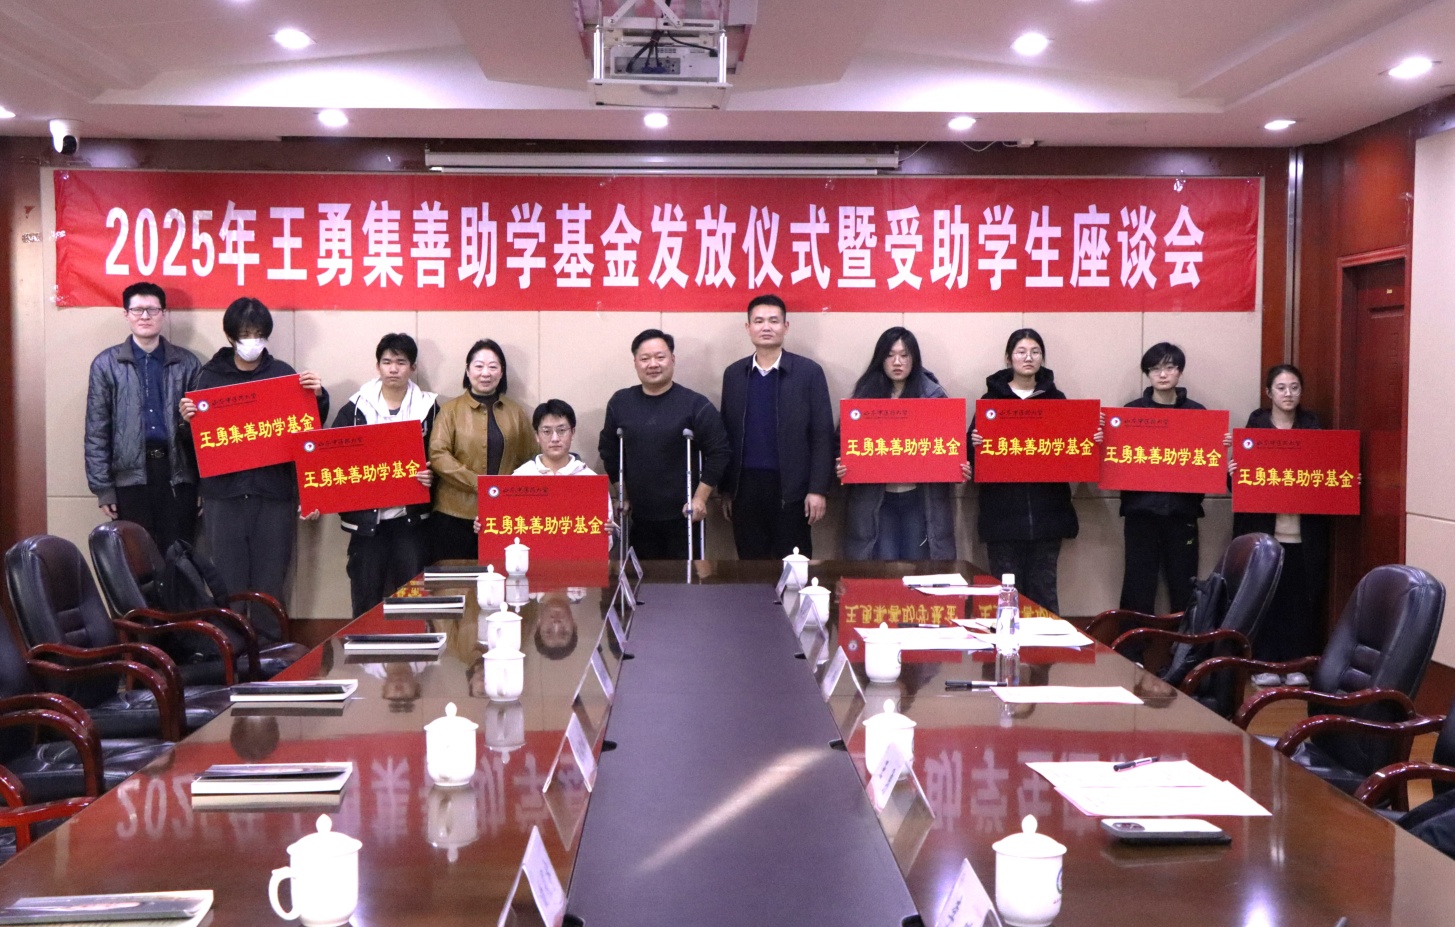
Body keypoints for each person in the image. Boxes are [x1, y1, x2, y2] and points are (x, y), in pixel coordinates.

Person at [178, 297, 328, 627]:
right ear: (230, 336)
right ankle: (231, 650)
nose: (252, 341)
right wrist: (187, 422)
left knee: (271, 583)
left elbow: (307, 435)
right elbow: (194, 444)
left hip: (273, 493)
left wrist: (318, 397)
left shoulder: (283, 375)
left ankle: (271, 649)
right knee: (227, 583)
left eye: (259, 333)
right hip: (223, 495)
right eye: (245, 334)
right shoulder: (208, 378)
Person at [970, 329, 1084, 614]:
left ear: (1042, 358)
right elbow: (972, 461)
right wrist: (975, 444)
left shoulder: (1056, 401)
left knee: (1044, 596)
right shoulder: (990, 402)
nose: (1028, 357)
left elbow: (1073, 451)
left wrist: (1089, 440)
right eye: (1021, 352)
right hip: (1003, 519)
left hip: (1048, 517)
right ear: (1008, 358)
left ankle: (1047, 646)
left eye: (1035, 352)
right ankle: (1005, 643)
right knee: (1006, 599)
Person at [85, 281, 202, 554]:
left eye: (152, 310)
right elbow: (97, 431)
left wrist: (204, 485)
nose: (145, 316)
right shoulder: (106, 364)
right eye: (137, 310)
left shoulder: (187, 363)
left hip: (177, 475)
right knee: (136, 558)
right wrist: (103, 488)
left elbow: (202, 431)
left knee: (179, 557)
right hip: (129, 478)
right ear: (126, 314)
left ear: (163, 314)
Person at [1230, 364, 1328, 687]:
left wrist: (1346, 482)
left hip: (1302, 534)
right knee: (1264, 598)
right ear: (1268, 393)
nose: (1288, 394)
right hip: (1264, 532)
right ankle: (1264, 662)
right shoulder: (1254, 430)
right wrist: (1233, 472)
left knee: (1299, 600)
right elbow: (1238, 488)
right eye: (1281, 388)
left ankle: (1296, 663)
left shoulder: (1314, 430)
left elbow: (1328, 478)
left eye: (1294, 387)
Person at [719, 294, 835, 559]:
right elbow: (727, 435)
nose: (766, 327)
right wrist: (726, 490)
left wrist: (817, 489)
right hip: (745, 488)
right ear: (748, 327)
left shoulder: (808, 372)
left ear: (786, 326)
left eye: (773, 321)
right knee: (751, 566)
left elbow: (822, 435)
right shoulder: (734, 374)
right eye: (758, 321)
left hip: (792, 488)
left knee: (794, 566)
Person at [837, 327, 968, 561]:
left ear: (914, 359)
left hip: (919, 499)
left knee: (915, 567)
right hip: (877, 500)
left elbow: (950, 447)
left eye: (904, 355)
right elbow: (842, 446)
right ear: (881, 359)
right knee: (884, 567)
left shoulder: (934, 398)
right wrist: (842, 465)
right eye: (890, 355)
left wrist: (958, 467)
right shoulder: (863, 399)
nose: (897, 362)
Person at [330, 333, 438, 618]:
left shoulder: (430, 409)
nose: (393, 369)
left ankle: (414, 646)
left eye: (401, 362)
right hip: (368, 524)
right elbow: (332, 461)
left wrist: (432, 476)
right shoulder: (355, 409)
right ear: (377, 366)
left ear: (412, 367)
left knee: (413, 600)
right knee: (365, 600)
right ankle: (364, 647)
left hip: (411, 521)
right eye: (387, 362)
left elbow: (443, 458)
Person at [598, 329, 729, 560]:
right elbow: (609, 451)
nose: (653, 364)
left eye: (660, 357)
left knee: (683, 579)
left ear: (672, 359)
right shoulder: (621, 403)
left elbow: (719, 452)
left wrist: (700, 498)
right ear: (635, 362)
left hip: (684, 515)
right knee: (643, 578)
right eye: (645, 358)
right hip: (639, 516)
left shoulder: (695, 404)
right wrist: (621, 492)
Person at [1117, 343, 1209, 615]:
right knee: (1137, 586)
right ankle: (1133, 641)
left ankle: (1186, 640)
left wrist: (1218, 445)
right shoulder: (1131, 413)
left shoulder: (1197, 414)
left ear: (1180, 371)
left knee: (1184, 586)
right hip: (1140, 513)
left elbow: (1206, 463)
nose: (1163, 374)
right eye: (1155, 368)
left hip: (1182, 513)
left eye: (1170, 367)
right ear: (1147, 373)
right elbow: (1118, 461)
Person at [428, 339, 536, 561]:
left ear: (501, 372)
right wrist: (479, 484)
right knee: (457, 578)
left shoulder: (516, 412)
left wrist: (512, 494)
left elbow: (530, 459)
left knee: (504, 576)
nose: (485, 373)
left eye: (493, 366)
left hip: (504, 515)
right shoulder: (450, 410)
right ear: (468, 371)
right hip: (454, 514)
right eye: (479, 366)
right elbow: (438, 454)